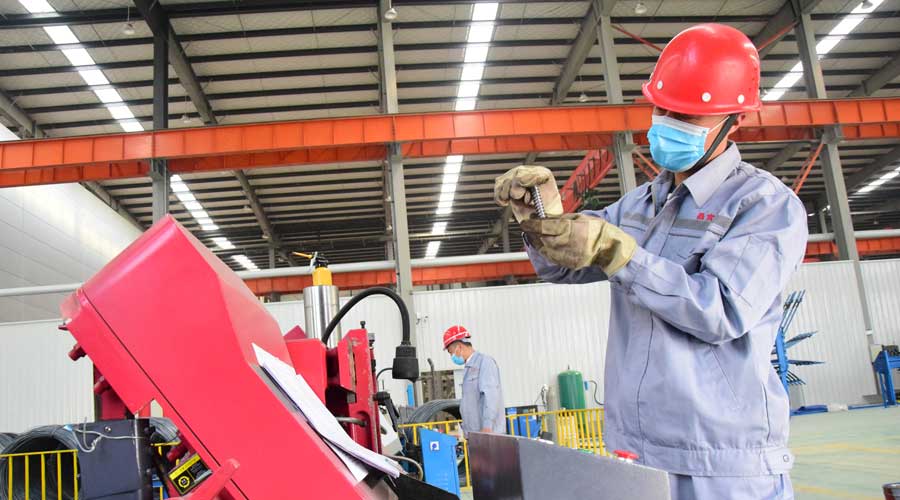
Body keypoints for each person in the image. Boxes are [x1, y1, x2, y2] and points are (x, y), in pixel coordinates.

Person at [494, 24, 806, 500]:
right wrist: (542, 219)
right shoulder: (642, 204)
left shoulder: (764, 206)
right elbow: (560, 266)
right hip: (636, 454)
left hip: (720, 465)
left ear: (736, 120)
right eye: (662, 108)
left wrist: (622, 255)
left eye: (686, 114)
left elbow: (720, 310)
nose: (668, 122)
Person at [442, 325, 506, 435]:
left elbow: (491, 396)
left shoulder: (485, 363)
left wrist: (487, 426)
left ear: (459, 347)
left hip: (488, 434)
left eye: (451, 352)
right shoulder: (468, 369)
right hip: (475, 435)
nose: (451, 356)